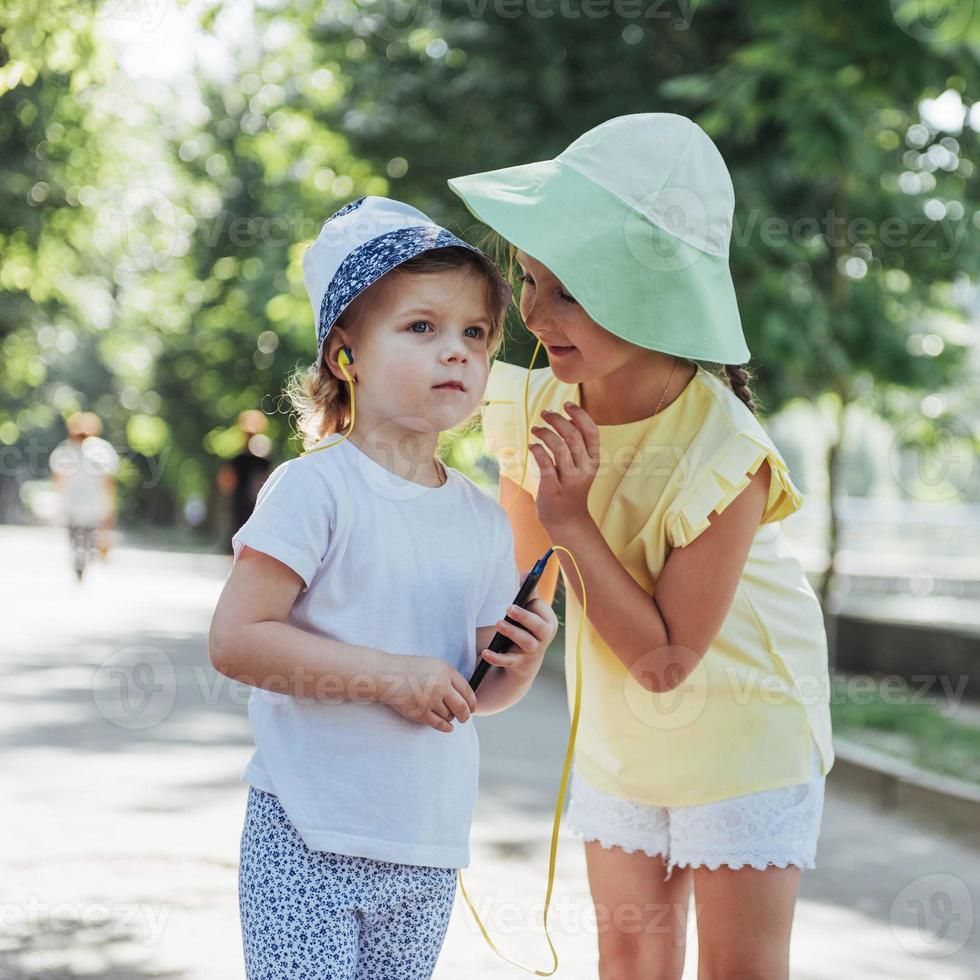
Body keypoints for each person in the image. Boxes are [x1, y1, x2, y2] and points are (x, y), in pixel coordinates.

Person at [449, 113, 834, 980]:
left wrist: (575, 520)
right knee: (627, 960)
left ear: (651, 292)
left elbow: (665, 660)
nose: (535, 314)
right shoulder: (531, 410)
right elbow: (523, 599)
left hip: (744, 726)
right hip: (621, 735)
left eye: (570, 291)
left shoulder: (727, 451)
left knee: (738, 969)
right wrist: (452, 687)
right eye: (529, 282)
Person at [208, 196, 559, 980]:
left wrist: (520, 662)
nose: (458, 352)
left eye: (475, 333)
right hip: (307, 832)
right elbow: (236, 641)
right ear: (346, 355)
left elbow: (475, 692)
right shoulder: (314, 489)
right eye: (421, 327)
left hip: (425, 846)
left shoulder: (480, 518)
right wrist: (392, 677)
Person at [49, 411, 120, 575]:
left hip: (72, 503)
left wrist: (59, 503)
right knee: (89, 532)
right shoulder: (102, 449)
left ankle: (78, 557)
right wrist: (110, 505)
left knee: (74, 534)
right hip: (94, 503)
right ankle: (84, 555)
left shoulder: (64, 450)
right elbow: (108, 480)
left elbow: (59, 481)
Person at [217, 409, 273, 551]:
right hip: (249, 504)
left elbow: (226, 483)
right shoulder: (261, 461)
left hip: (246, 503)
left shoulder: (242, 460)